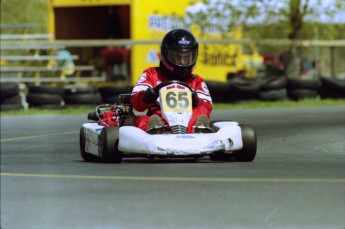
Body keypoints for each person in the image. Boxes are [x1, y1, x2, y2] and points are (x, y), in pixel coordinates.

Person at [130, 29, 213, 134]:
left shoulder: (196, 81)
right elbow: (136, 102)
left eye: (187, 57)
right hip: (160, 120)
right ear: (166, 53)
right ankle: (155, 132)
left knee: (201, 112)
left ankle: (199, 131)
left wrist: (196, 101)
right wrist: (145, 97)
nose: (182, 62)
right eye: (178, 57)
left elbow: (207, 107)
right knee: (142, 120)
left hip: (188, 122)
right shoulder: (151, 74)